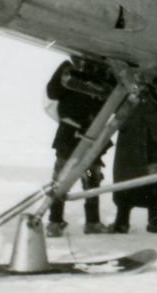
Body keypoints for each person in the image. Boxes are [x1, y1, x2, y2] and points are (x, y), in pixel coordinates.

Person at [45, 56, 117, 236]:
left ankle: (91, 222)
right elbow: (52, 92)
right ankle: (55, 221)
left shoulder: (108, 72)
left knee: (91, 178)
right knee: (62, 178)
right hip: (71, 136)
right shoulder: (71, 67)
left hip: (90, 138)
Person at [110, 95, 157, 234]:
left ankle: (151, 220)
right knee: (129, 175)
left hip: (149, 129)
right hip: (137, 130)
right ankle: (123, 221)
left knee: (153, 175)